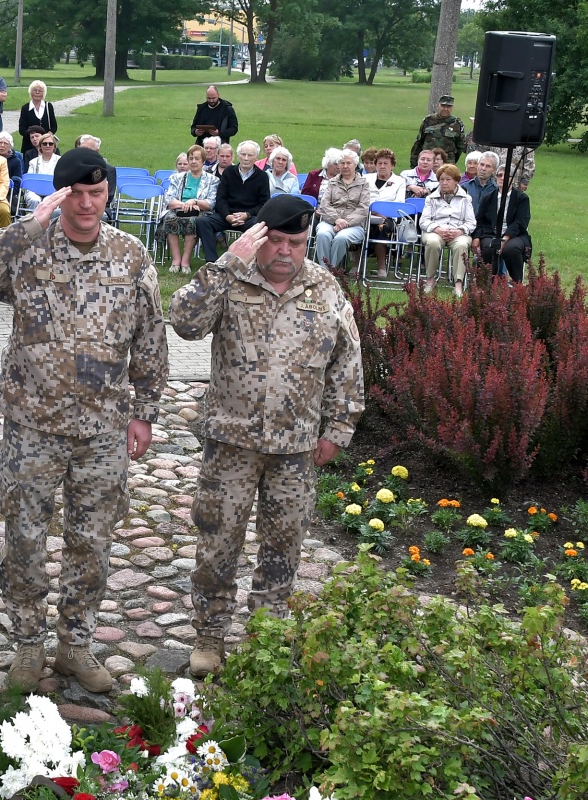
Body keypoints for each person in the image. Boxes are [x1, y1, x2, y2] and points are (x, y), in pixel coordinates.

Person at [0, 148, 169, 694]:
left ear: (108, 194)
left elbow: (150, 336)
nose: (88, 204)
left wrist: (145, 412)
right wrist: (27, 226)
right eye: (77, 193)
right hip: (33, 425)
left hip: (104, 428)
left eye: (98, 193)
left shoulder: (131, 254)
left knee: (91, 542)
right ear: (60, 194)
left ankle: (76, 644)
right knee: (24, 538)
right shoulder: (28, 248)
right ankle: (28, 644)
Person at [168, 194, 364, 677]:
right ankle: (210, 635)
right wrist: (224, 265)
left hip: (295, 448)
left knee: (283, 547)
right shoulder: (231, 280)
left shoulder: (324, 288)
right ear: (258, 238)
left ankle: (266, 637)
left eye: (295, 243)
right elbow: (185, 323)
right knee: (217, 544)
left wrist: (338, 429)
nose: (284, 251)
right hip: (231, 444)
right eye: (275, 241)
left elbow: (347, 362)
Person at [195, 140, 270, 263]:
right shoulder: (229, 172)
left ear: (256, 157)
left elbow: (264, 203)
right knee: (203, 222)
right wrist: (227, 216)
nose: (246, 158)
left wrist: (247, 214)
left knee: (260, 226)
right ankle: (211, 261)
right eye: (243, 154)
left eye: (250, 155)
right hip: (227, 216)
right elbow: (220, 198)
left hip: (248, 218)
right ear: (238, 155)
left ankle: (248, 261)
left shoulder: (262, 177)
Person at [156, 145, 218, 273]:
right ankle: (176, 260)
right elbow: (169, 200)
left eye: (197, 159)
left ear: (203, 161)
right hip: (178, 208)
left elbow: (211, 203)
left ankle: (185, 261)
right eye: (191, 158)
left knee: (193, 221)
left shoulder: (212, 180)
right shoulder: (177, 178)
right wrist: (183, 205)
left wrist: (195, 202)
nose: (193, 161)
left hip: (200, 211)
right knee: (170, 219)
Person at [420, 163, 476, 296]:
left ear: (456, 181)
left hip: (458, 233)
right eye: (441, 179)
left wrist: (459, 231)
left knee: (461, 244)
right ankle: (430, 280)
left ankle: (458, 283)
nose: (444, 183)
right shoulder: (430, 198)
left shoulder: (466, 199)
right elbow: (423, 221)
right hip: (436, 232)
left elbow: (471, 222)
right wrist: (437, 229)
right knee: (432, 242)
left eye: (448, 179)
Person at [313, 149, 370, 271]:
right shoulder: (332, 182)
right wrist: (337, 220)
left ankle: (330, 271)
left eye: (348, 163)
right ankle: (324, 271)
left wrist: (346, 222)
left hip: (354, 225)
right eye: (342, 163)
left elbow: (363, 208)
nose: (345, 166)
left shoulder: (364, 184)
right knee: (322, 234)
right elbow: (325, 204)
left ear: (355, 164)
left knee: (341, 238)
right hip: (330, 222)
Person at [473, 167, 531, 283]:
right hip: (491, 233)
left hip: (515, 235)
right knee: (489, 248)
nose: (502, 178)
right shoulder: (488, 197)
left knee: (511, 249)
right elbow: (480, 221)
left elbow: (521, 222)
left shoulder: (521, 198)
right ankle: (485, 284)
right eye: (499, 175)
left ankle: (517, 284)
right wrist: (476, 237)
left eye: (506, 176)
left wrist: (504, 239)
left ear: (513, 179)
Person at [366, 148, 407, 277]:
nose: (382, 166)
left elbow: (399, 203)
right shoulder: (365, 178)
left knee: (382, 227)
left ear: (392, 165)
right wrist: (373, 212)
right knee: (359, 224)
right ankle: (357, 265)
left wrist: (382, 212)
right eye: (379, 163)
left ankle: (381, 266)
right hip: (367, 214)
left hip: (389, 217)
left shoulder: (400, 181)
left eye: (386, 163)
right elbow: (360, 198)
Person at [410, 94, 467, 168]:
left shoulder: (457, 123)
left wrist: (451, 160)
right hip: (428, 160)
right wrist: (414, 162)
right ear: (438, 105)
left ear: (452, 107)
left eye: (449, 106)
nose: (445, 109)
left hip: (447, 162)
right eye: (443, 106)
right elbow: (419, 142)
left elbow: (460, 146)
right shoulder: (428, 120)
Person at [24, 132, 61, 208]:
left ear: (54, 146)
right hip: (34, 191)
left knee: (47, 201)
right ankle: (34, 216)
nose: (47, 146)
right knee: (34, 200)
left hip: (52, 192)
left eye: (50, 144)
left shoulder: (60, 161)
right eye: (44, 144)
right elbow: (30, 182)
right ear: (40, 146)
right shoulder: (33, 162)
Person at [461, 150, 499, 215]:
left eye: (488, 166)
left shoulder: (496, 191)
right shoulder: (464, 187)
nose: (483, 168)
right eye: (482, 164)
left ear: (494, 170)